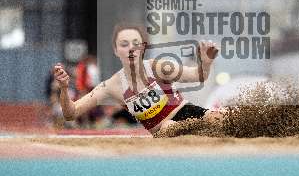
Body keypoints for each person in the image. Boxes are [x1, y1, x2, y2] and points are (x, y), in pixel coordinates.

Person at [53, 23, 220, 135]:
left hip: (188, 112)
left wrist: (205, 64)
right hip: (163, 130)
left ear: (143, 47)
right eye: (124, 44)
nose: (131, 48)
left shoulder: (158, 67)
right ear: (116, 50)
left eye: (135, 43)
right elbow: (71, 113)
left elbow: (198, 76)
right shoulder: (111, 86)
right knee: (170, 126)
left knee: (220, 117)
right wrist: (64, 88)